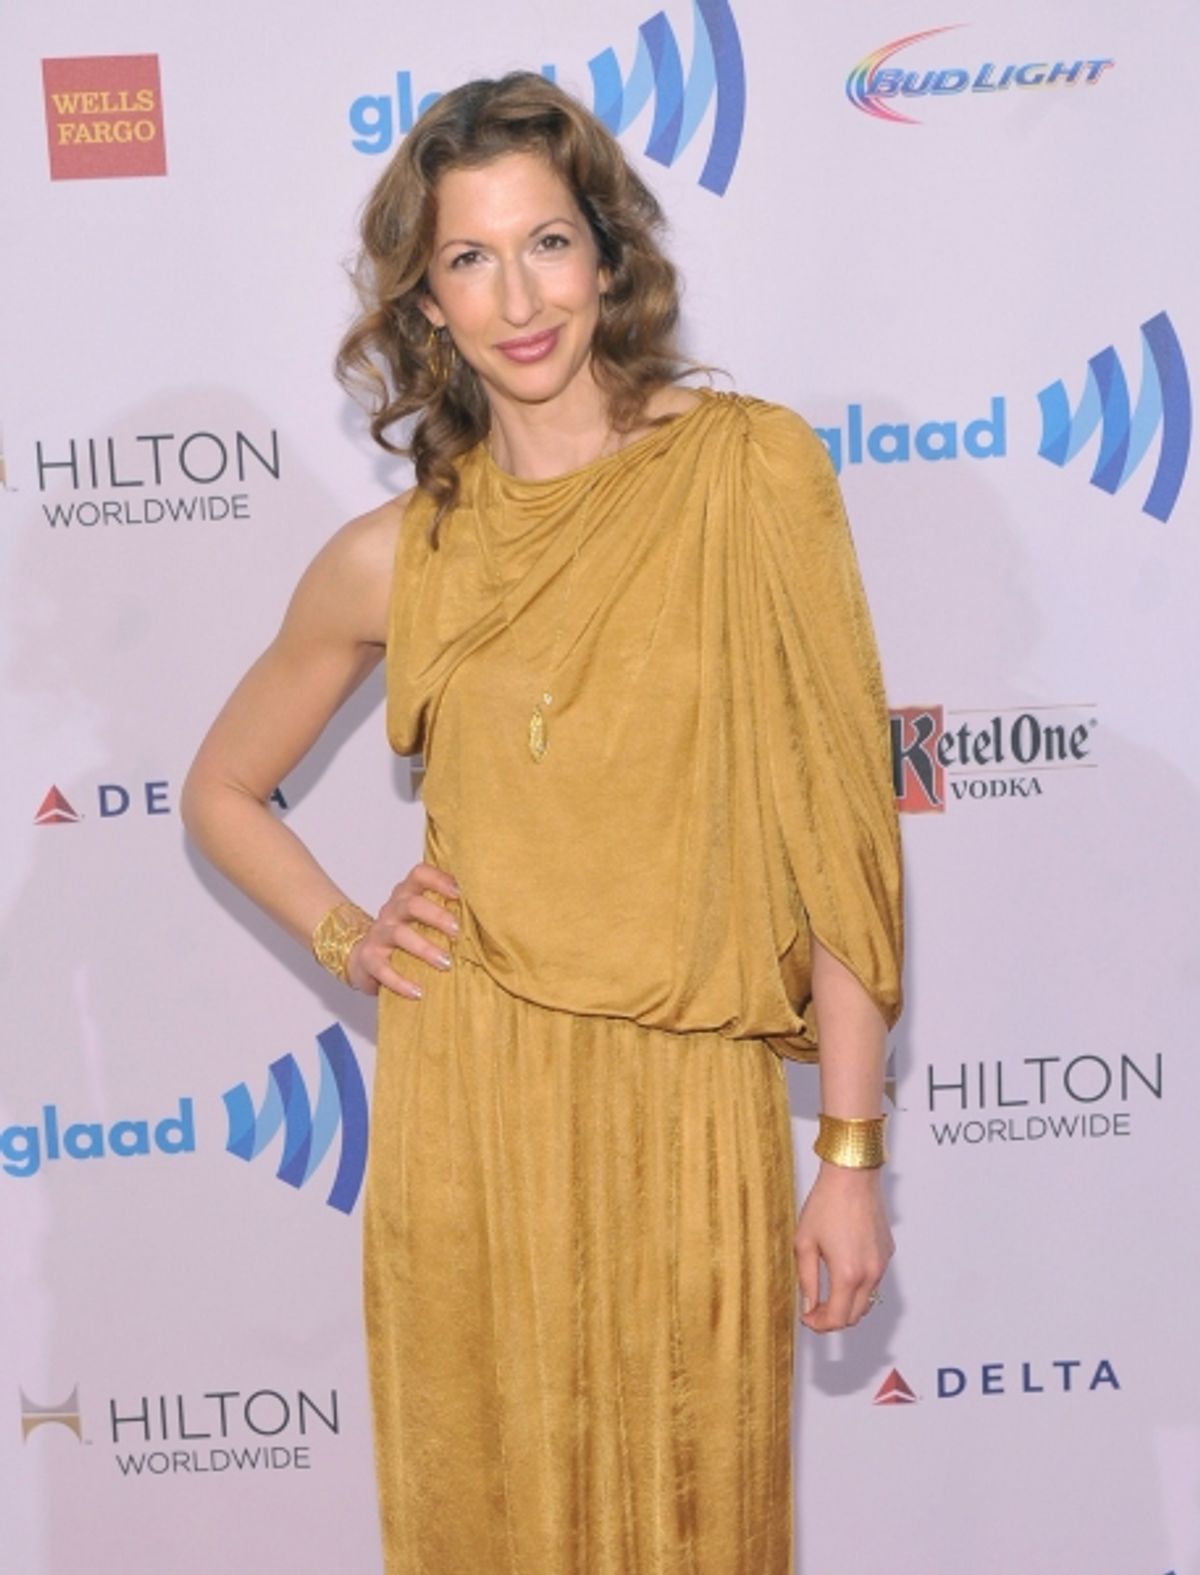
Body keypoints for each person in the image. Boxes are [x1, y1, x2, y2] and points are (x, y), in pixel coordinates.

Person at [182, 71, 903, 1575]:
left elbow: (840, 832)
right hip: (473, 1110)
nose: (519, 299)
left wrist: (849, 1152)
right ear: (425, 303)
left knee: (701, 1516)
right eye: (470, 258)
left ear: (608, 256)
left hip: (689, 1103)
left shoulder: (751, 471)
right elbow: (221, 790)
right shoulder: (395, 555)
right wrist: (349, 934)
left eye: (548, 243)